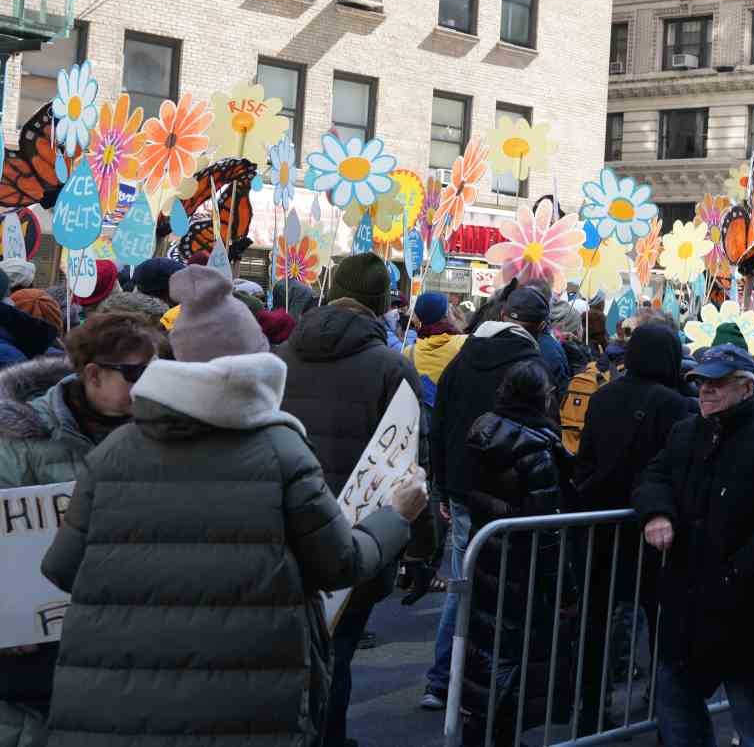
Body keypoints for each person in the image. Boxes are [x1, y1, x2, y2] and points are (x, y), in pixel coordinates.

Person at [39, 263, 428, 745]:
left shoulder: (114, 451)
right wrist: (396, 517)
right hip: (243, 701)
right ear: (256, 363)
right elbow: (339, 563)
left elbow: (61, 569)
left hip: (112, 701)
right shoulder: (281, 451)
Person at [634, 344, 754, 747]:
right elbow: (654, 477)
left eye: (717, 383)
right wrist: (656, 513)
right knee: (676, 706)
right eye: (701, 382)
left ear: (747, 387)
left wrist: (740, 570)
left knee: (751, 716)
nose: (705, 390)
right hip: (687, 604)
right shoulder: (686, 432)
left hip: (745, 608)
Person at [275, 255, 427, 742]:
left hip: (278, 527)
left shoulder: (277, 357)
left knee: (275, 656)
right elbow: (410, 468)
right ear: (383, 303)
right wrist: (420, 548)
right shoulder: (392, 367)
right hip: (355, 534)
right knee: (336, 653)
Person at [0, 313, 160, 744]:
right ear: (93, 374)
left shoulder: (160, 433)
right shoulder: (19, 438)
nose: (148, 385)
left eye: (156, 372)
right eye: (135, 374)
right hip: (43, 648)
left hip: (131, 636)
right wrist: (8, 621)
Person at [422, 285, 554, 710]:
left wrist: (443, 486)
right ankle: (469, 686)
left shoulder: (464, 355)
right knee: (499, 595)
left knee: (466, 585)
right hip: (511, 493)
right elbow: (543, 429)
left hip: (465, 488)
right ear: (538, 325)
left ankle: (444, 681)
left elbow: (439, 424)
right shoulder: (532, 362)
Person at [567, 320, 696, 733]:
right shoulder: (675, 404)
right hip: (653, 531)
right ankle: (664, 715)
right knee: (662, 626)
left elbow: (586, 458)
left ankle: (590, 712)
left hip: (600, 528)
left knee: (596, 624)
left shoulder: (604, 396)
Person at [457, 360, 576, 746]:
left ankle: (484, 733)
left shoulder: (484, 431)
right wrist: (565, 590)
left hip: (489, 556)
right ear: (542, 398)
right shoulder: (537, 452)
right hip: (524, 571)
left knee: (487, 652)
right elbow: (547, 532)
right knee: (513, 660)